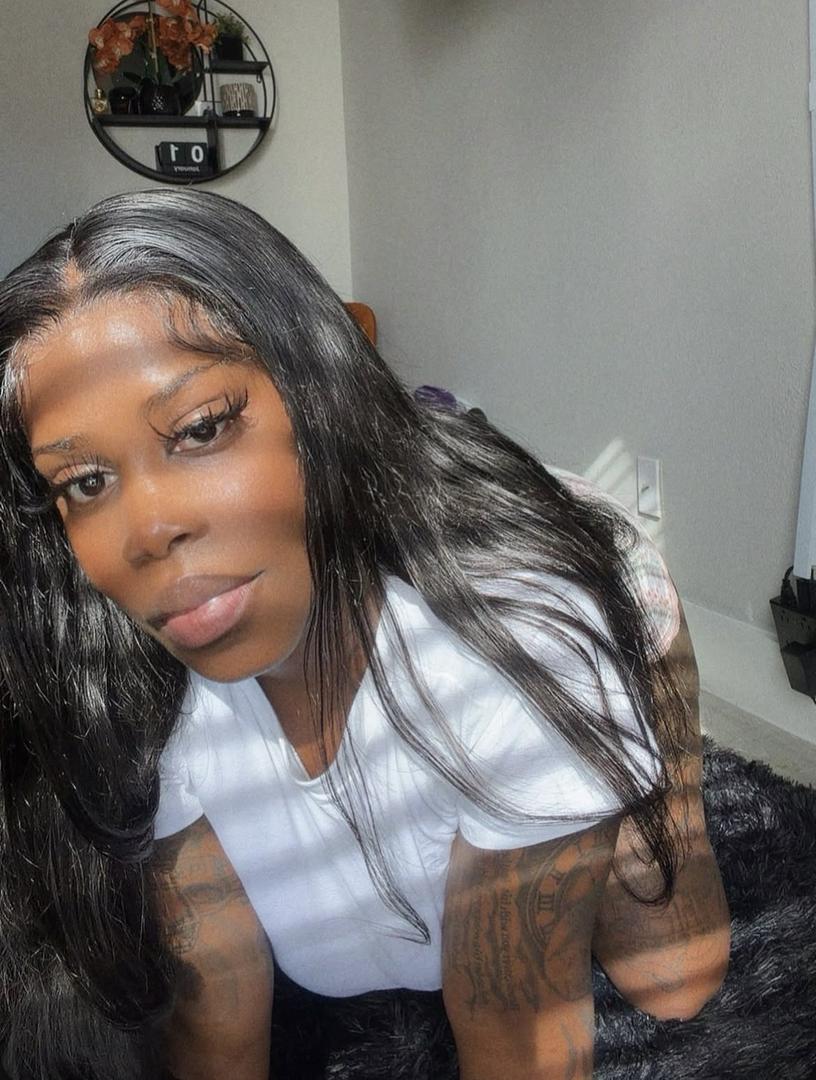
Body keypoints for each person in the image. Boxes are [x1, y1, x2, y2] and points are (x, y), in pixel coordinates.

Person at [0, 190, 730, 1080]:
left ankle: (631, 715)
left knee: (672, 979)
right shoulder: (122, 678)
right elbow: (216, 1028)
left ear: (316, 399)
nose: (148, 531)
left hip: (571, 578)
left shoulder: (508, 645)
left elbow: (518, 1035)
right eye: (84, 482)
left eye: (200, 429)